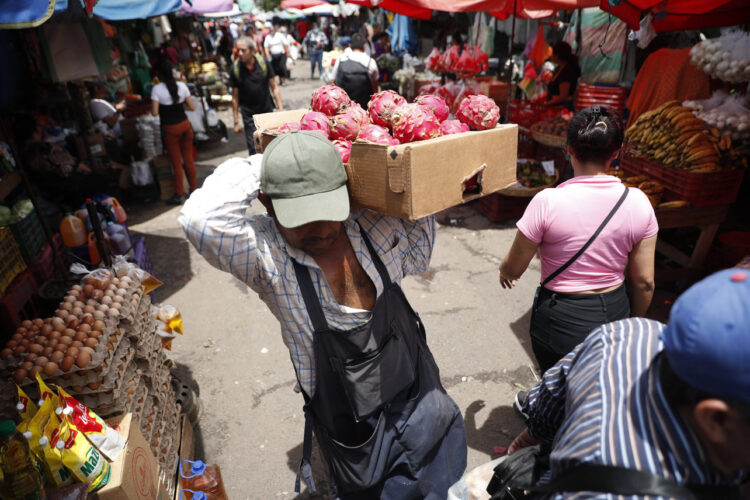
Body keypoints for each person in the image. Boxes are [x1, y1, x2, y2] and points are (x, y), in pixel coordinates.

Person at [179, 131, 467, 499]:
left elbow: (420, 247)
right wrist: (270, 163)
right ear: (267, 203)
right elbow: (198, 220)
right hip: (354, 436)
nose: (318, 229)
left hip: (420, 403)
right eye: (299, 216)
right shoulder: (266, 258)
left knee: (444, 483)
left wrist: (349, 161)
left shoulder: (375, 223)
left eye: (328, 209)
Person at [506, 267, 750, 499]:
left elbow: (554, 388)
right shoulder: (609, 494)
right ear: (716, 419)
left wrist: (534, 432)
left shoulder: (630, 332)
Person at [499, 106, 657, 379]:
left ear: (568, 148)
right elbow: (645, 283)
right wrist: (631, 320)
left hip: (560, 322)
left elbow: (514, 269)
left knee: (558, 391)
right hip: (615, 312)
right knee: (600, 390)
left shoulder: (547, 201)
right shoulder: (639, 202)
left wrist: (505, 273)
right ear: (617, 152)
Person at [151, 59, 197, 205]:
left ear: (158, 75)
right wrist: (180, 108)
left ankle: (179, 194)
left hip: (170, 130)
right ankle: (194, 189)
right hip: (185, 126)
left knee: (177, 164)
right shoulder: (182, 86)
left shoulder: (156, 90)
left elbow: (154, 113)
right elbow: (192, 107)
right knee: (189, 160)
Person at [230, 37, 283, 156]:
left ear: (252, 50)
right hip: (249, 117)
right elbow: (235, 97)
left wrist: (280, 109)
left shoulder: (263, 64)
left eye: (243, 50)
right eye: (238, 50)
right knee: (254, 148)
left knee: (271, 145)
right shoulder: (235, 69)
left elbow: (274, 87)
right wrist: (236, 122)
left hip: (266, 112)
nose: (240, 53)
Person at [332, 33, 379, 109]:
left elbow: (332, 81)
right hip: (364, 108)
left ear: (350, 46)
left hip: (343, 108)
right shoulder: (370, 62)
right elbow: (375, 86)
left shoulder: (341, 59)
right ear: (364, 46)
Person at [544, 41, 580, 109]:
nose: (551, 55)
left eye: (552, 53)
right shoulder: (559, 68)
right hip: (556, 107)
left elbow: (563, 96)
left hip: (563, 109)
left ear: (557, 56)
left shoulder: (567, 72)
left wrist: (546, 104)